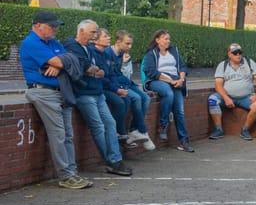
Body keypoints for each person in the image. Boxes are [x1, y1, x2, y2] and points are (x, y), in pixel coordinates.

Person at [19, 11, 93, 189]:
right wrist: (61, 63)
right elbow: (63, 63)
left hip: (61, 92)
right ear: (37, 25)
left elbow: (72, 59)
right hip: (43, 92)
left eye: (56, 26)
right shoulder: (31, 42)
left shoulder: (52, 42)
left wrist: (61, 63)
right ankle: (65, 175)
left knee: (68, 134)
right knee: (59, 134)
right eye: (51, 26)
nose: (55, 29)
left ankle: (72, 172)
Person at [64, 20, 132, 176]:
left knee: (110, 123)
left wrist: (93, 70)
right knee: (98, 127)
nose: (95, 35)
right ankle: (111, 161)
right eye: (93, 32)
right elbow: (83, 68)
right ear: (81, 31)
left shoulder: (93, 50)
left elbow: (102, 71)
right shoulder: (73, 46)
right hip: (84, 94)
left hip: (98, 93)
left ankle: (116, 159)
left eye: (96, 33)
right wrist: (93, 70)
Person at [94, 29, 155, 151]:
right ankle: (139, 131)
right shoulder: (108, 53)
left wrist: (126, 69)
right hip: (111, 85)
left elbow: (119, 74)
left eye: (131, 43)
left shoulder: (122, 54)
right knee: (133, 99)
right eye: (127, 43)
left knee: (146, 98)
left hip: (121, 82)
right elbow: (109, 75)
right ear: (118, 42)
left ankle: (135, 130)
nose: (130, 46)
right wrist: (118, 88)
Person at [141, 29, 193, 152]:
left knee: (179, 111)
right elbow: (151, 72)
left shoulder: (174, 51)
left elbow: (182, 66)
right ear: (157, 40)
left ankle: (184, 141)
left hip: (176, 81)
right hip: (157, 81)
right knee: (168, 93)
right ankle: (162, 125)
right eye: (165, 38)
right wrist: (170, 81)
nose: (168, 41)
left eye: (169, 39)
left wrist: (181, 79)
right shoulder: (151, 54)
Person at [207, 43, 256, 141]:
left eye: (240, 53)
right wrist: (225, 98)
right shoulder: (223, 65)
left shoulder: (249, 62)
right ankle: (218, 129)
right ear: (229, 54)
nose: (238, 55)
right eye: (235, 53)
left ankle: (245, 130)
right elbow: (218, 85)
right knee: (212, 100)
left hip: (246, 97)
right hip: (227, 96)